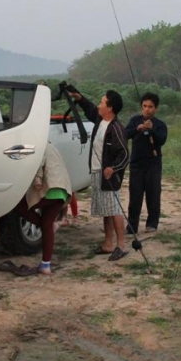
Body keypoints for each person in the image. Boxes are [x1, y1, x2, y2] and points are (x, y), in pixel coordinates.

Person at [70, 88, 130, 261]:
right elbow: (89, 108)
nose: (99, 105)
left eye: (102, 102)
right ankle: (107, 243)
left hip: (110, 176)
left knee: (114, 209)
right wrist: (79, 97)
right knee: (106, 209)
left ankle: (121, 245)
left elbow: (124, 154)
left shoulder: (116, 128)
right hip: (97, 172)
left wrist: (113, 168)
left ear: (110, 107)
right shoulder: (100, 120)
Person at [2, 143, 73, 276]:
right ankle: (46, 265)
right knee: (47, 223)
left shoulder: (39, 144)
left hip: (49, 189)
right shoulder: (52, 146)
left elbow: (39, 162)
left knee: (18, 206)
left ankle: (50, 227)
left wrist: (37, 180)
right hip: (61, 191)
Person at [124, 92, 168, 234]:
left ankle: (152, 223)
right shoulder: (135, 121)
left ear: (156, 108)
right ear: (141, 107)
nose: (147, 109)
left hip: (153, 163)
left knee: (153, 193)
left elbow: (162, 140)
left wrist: (152, 130)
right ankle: (132, 225)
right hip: (136, 163)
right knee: (135, 194)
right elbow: (125, 134)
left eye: (150, 106)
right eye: (144, 106)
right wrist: (139, 128)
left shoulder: (160, 124)